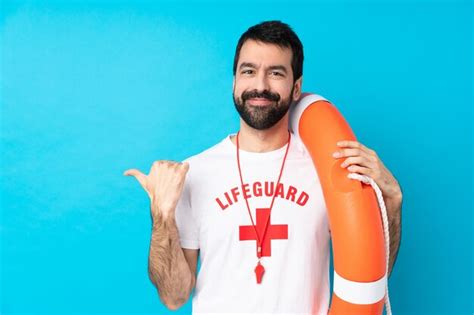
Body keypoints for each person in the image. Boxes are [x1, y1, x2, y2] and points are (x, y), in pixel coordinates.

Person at [123, 20, 403, 315]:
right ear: (234, 82)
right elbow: (174, 297)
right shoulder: (194, 172)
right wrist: (162, 214)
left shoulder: (327, 170)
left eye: (276, 73)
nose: (260, 85)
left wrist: (392, 204)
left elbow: (371, 277)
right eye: (248, 71)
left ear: (296, 88)